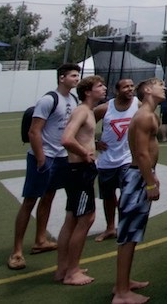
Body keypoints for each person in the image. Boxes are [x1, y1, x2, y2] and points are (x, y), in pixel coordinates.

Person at [7, 63, 81, 271]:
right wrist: (40, 158)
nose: (77, 78)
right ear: (61, 78)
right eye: (73, 75)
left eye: (78, 75)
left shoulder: (73, 99)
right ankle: (17, 251)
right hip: (45, 156)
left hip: (61, 156)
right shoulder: (49, 100)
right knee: (30, 200)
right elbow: (34, 131)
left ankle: (41, 239)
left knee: (49, 196)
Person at [112, 77, 165, 304]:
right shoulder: (144, 116)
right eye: (159, 84)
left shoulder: (151, 114)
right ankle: (122, 293)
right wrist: (150, 182)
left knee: (132, 235)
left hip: (142, 175)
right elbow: (142, 153)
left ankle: (123, 283)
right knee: (128, 235)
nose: (164, 88)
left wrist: (152, 175)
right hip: (137, 178)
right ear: (147, 90)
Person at [55, 74, 107, 286]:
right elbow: (67, 139)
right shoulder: (82, 111)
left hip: (77, 170)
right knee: (86, 218)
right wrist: (85, 153)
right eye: (99, 86)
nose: (104, 89)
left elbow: (79, 137)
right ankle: (72, 272)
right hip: (80, 170)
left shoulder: (87, 112)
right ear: (87, 91)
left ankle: (63, 268)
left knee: (72, 218)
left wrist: (94, 143)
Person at [94, 78, 139, 242]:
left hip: (127, 159)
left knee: (126, 194)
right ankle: (110, 228)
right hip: (107, 160)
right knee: (108, 196)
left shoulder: (137, 105)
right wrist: (94, 142)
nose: (130, 89)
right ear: (117, 90)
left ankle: (124, 226)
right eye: (126, 86)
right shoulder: (104, 109)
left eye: (131, 86)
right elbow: (84, 125)